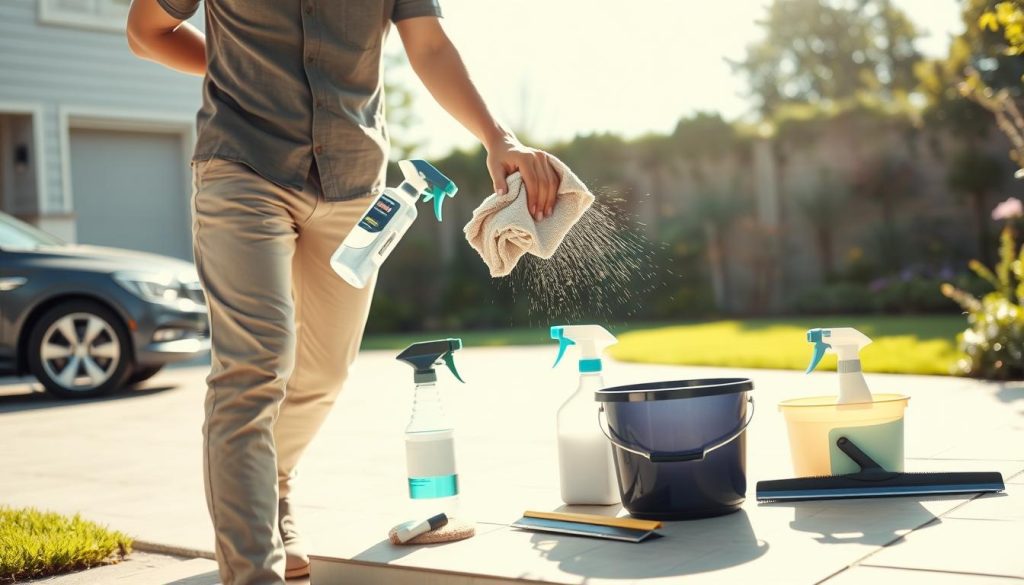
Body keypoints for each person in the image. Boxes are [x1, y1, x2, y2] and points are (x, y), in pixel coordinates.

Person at [125, 1, 561, 583]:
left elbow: (428, 46)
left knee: (323, 372)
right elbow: (146, 30)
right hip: (242, 167)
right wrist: (231, 67)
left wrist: (496, 136)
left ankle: (274, 490)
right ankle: (253, 571)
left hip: (354, 186)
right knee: (253, 368)